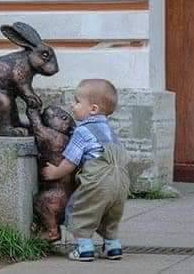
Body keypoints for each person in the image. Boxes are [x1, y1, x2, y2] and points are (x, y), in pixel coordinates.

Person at [42, 78, 130, 262]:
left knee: (81, 209)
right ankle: (113, 246)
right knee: (110, 213)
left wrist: (55, 172)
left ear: (93, 109)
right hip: (121, 181)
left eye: (77, 101)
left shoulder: (82, 131)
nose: (72, 105)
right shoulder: (110, 130)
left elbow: (71, 161)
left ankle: (84, 248)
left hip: (98, 179)